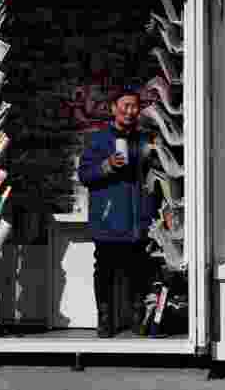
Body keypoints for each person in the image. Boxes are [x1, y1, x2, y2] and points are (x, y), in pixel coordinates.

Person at [78, 84, 158, 338]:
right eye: (125, 106)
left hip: (138, 218)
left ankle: (137, 318)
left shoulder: (145, 140)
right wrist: (107, 166)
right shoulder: (99, 139)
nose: (130, 111)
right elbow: (85, 175)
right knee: (105, 270)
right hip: (109, 217)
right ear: (114, 109)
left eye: (135, 106)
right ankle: (105, 321)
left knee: (139, 270)